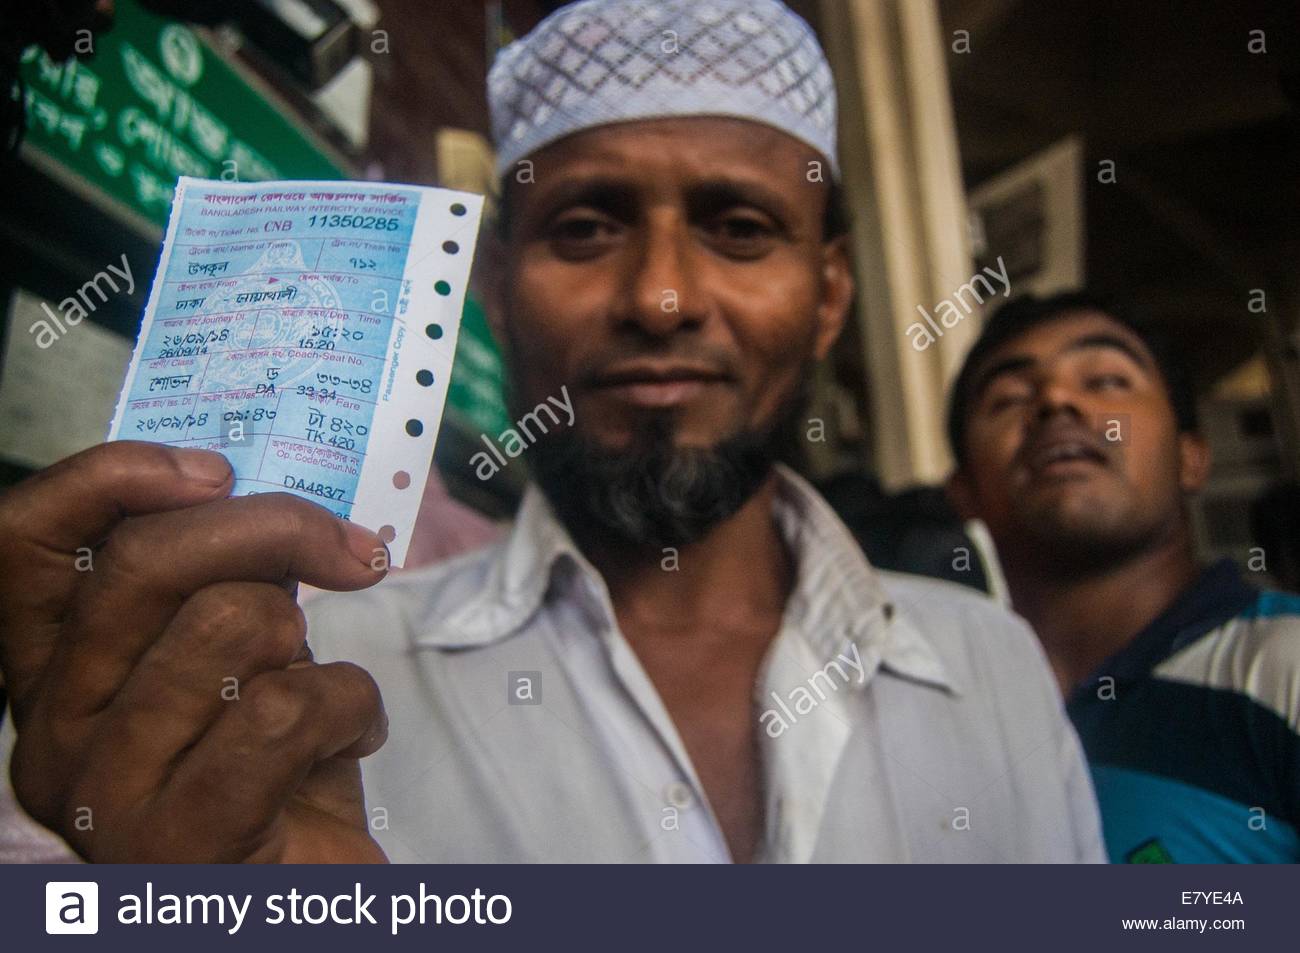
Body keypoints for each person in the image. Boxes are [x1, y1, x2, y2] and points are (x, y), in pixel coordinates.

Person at [0, 0, 1102, 863]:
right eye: (584, 226)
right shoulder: (292, 671)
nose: (662, 297)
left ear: (827, 295)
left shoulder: (987, 665)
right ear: (490, 284)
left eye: (739, 227)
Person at [946, 291, 1300, 863]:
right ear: (962, 495)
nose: (1056, 401)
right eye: (1009, 398)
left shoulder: (1283, 667)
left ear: (1191, 458)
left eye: (1107, 381)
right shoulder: (933, 716)